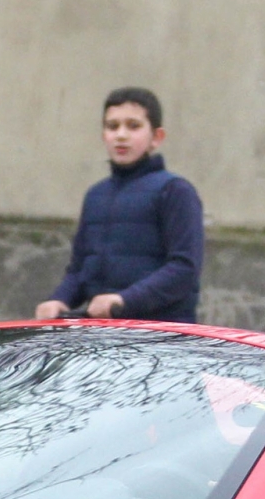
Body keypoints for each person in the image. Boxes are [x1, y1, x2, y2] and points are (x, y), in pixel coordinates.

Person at [36, 87, 204, 324]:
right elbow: (81, 269)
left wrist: (125, 300)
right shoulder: (96, 195)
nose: (121, 135)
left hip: (163, 336)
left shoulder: (175, 191)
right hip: (103, 334)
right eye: (112, 126)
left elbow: (183, 269)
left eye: (133, 126)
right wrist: (59, 300)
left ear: (157, 137)